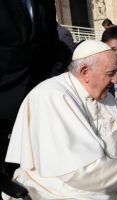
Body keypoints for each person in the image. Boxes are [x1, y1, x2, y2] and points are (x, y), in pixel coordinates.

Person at [2, 40, 117, 200]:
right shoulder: (52, 96)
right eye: (110, 73)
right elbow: (75, 170)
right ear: (85, 72)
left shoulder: (105, 95)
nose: (115, 80)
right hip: (61, 186)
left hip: (108, 174)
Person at [0, 0, 70, 183]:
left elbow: (53, 50)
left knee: (28, 176)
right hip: (3, 107)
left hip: (34, 107)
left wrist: (45, 88)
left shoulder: (45, 3)